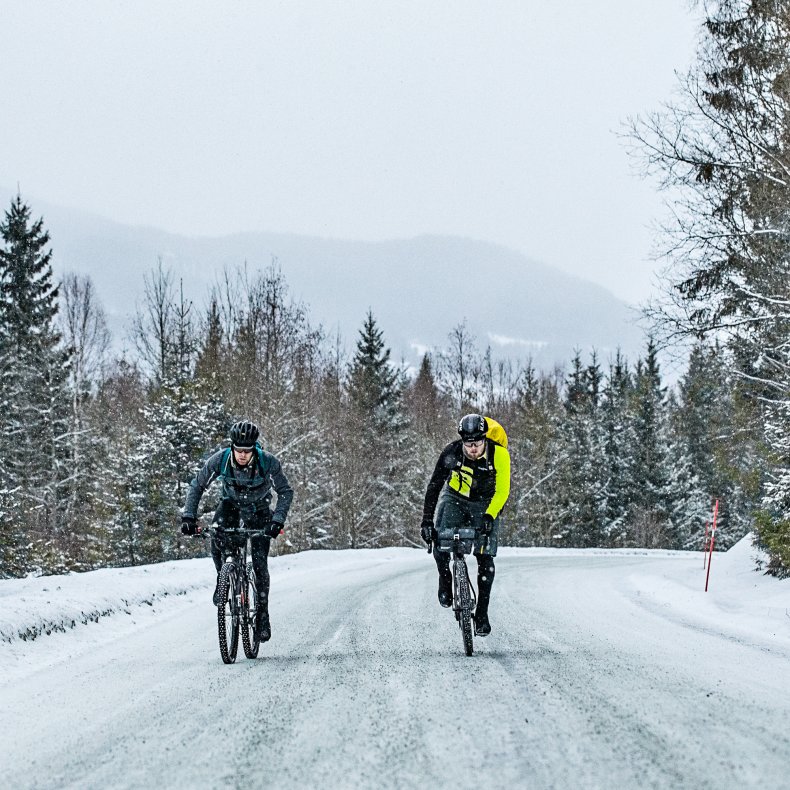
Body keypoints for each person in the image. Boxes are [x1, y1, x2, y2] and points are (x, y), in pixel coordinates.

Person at [181, 420, 294, 643]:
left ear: (254, 449)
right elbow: (197, 485)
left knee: (260, 563)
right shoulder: (221, 460)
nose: (242, 455)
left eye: (247, 451)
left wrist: (277, 521)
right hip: (231, 505)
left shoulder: (267, 462)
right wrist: (188, 517)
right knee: (216, 537)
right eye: (239, 451)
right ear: (232, 447)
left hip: (259, 508)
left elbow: (285, 491)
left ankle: (262, 615)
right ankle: (222, 578)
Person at [420, 414, 511, 636]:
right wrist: (426, 520)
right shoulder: (451, 452)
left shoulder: (499, 454)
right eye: (468, 444)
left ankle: (481, 612)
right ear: (462, 441)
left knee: (485, 555)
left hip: (486, 503)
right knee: (440, 539)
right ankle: (445, 578)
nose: (472, 449)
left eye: (477, 443)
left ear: (484, 439)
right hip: (456, 497)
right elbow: (434, 486)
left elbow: (502, 490)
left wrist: (490, 516)